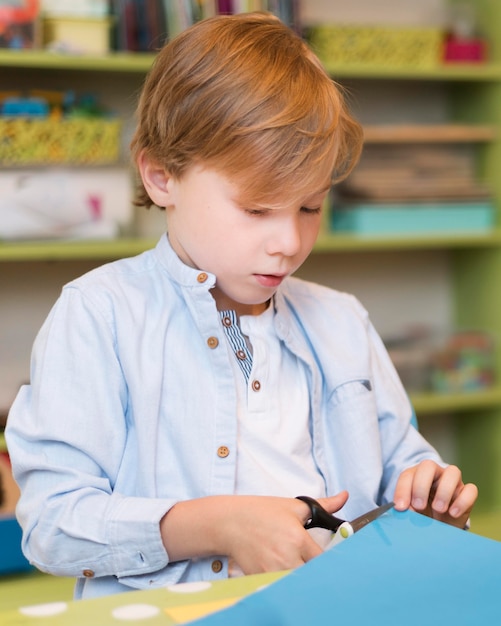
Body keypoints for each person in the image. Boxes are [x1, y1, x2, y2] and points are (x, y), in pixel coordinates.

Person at [6, 12, 477, 600]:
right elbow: (53, 524)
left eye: (309, 208)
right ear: (161, 176)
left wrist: (432, 500)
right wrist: (217, 525)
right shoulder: (98, 316)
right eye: (257, 209)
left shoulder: (342, 321)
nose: (288, 242)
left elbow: (403, 476)